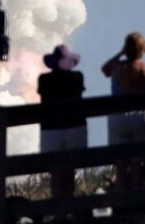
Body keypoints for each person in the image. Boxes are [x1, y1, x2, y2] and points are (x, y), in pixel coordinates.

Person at [102, 32, 145, 190]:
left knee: (120, 163)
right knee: (137, 162)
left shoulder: (118, 68)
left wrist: (121, 53)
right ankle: (136, 196)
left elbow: (104, 69)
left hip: (118, 117)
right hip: (139, 117)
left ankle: (121, 197)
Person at [38, 44, 86, 200]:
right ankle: (68, 207)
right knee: (69, 170)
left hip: (51, 129)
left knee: (56, 171)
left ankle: (59, 211)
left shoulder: (44, 80)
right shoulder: (77, 77)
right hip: (74, 126)